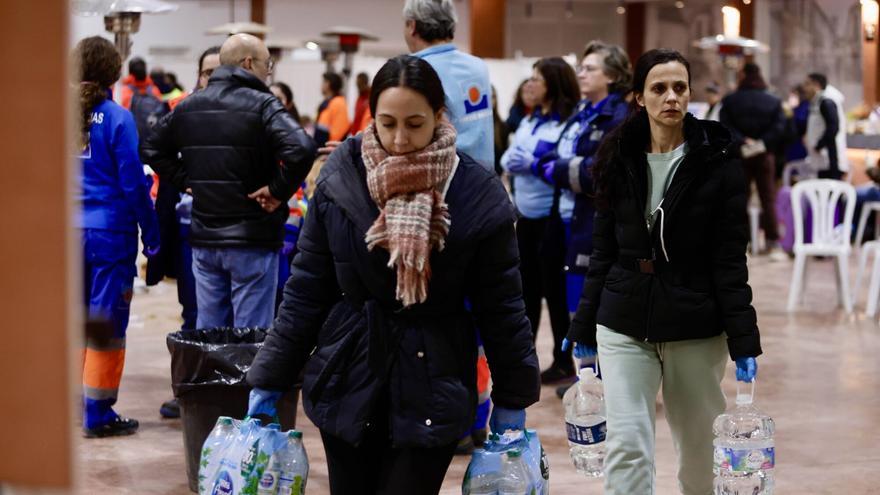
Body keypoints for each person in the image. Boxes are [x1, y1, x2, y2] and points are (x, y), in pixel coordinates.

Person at [246, 55, 540, 495]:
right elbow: (307, 290)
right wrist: (269, 379)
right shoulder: (341, 177)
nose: (400, 139)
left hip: (434, 379)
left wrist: (513, 398)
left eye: (415, 123)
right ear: (372, 117)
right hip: (348, 371)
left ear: (440, 117)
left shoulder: (477, 194)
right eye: (387, 123)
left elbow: (502, 307)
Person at [565, 49, 761, 494]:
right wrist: (582, 326)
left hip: (695, 320)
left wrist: (744, 338)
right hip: (624, 319)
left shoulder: (718, 161)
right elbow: (603, 251)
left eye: (680, 87)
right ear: (638, 97)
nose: (671, 97)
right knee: (627, 443)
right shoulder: (616, 156)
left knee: (697, 451)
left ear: (690, 93)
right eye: (659, 88)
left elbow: (731, 259)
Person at [142, 33, 316, 330]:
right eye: (267, 64)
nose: (268, 71)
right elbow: (302, 148)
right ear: (249, 63)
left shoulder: (189, 105)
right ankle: (247, 380)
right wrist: (277, 191)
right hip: (253, 239)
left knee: (210, 334)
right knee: (249, 340)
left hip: (205, 240)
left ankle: (212, 378)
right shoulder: (263, 104)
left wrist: (187, 180)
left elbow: (151, 148)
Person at [528, 41, 631, 388]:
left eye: (590, 68)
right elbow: (552, 155)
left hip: (593, 222)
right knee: (573, 303)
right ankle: (586, 378)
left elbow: (596, 173)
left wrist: (554, 167)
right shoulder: (583, 112)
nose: (581, 74)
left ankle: (600, 381)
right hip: (565, 218)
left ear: (613, 76)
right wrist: (556, 165)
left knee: (593, 305)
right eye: (581, 67)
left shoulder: (618, 116)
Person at [76, 36, 161, 437]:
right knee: (106, 323)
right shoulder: (117, 118)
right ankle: (97, 412)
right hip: (110, 237)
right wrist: (154, 235)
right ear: (115, 72)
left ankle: (76, 403)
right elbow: (134, 185)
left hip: (65, 234)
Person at [150, 45, 221, 420]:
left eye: (216, 70)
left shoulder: (245, 108)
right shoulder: (183, 112)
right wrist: (185, 179)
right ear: (197, 75)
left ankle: (225, 393)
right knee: (192, 313)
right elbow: (154, 150)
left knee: (230, 319)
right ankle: (188, 392)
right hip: (187, 226)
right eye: (206, 71)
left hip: (233, 230)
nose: (210, 78)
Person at [501, 57, 579, 384]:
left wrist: (532, 163)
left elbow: (559, 168)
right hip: (526, 220)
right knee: (527, 293)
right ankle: (525, 359)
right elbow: (507, 158)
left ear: (554, 84)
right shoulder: (531, 121)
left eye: (538, 79)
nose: (530, 84)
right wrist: (531, 163)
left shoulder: (569, 124)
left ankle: (563, 361)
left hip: (552, 220)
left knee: (556, 295)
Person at [404, 0, 494, 170]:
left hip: (442, 181)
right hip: (484, 180)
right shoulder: (478, 67)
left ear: (412, 26)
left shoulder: (413, 71)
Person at [720, 62, 787, 260]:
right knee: (768, 198)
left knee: (741, 198)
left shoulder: (731, 100)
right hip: (765, 155)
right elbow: (780, 126)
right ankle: (773, 243)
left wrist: (743, 141)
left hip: (741, 155)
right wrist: (762, 142)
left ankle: (742, 244)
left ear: (743, 76)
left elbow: (725, 126)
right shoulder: (773, 100)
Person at [803, 72, 848, 180]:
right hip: (821, 161)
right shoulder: (817, 103)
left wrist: (819, 145)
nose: (804, 88)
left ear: (816, 85)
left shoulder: (826, 102)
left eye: (807, 84)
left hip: (828, 160)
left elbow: (833, 127)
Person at [315, 72, 350, 146]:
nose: (321, 85)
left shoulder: (338, 102)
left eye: (324, 82)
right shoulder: (328, 102)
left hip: (329, 149)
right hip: (323, 146)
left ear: (329, 84)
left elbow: (339, 131)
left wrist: (329, 148)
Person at [491, 85, 508, 176]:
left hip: (496, 177)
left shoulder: (502, 127)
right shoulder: (474, 127)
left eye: (493, 97)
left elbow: (504, 156)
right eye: (488, 97)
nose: (490, 101)